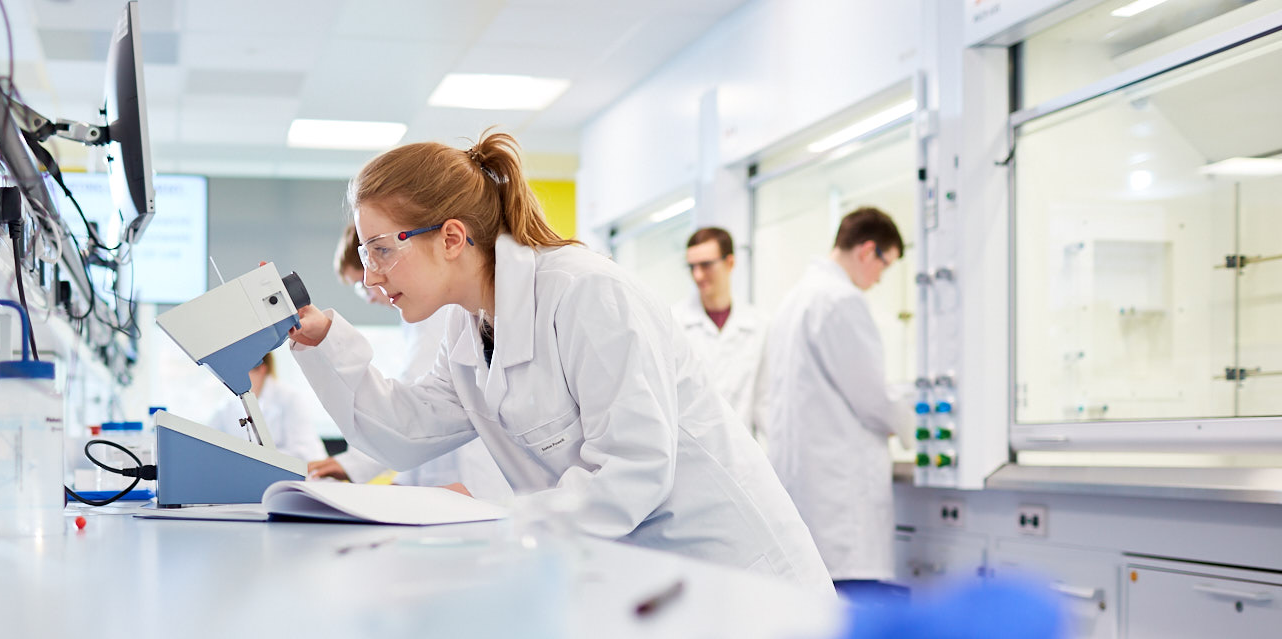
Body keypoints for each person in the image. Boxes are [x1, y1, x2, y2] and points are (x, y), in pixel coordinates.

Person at [286, 130, 831, 590]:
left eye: (381, 249)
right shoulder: (467, 325)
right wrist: (324, 345)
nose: (373, 275)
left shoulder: (586, 294)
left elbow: (631, 475)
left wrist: (492, 518)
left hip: (738, 581)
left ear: (452, 237)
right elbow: (404, 434)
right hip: (648, 581)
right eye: (365, 254)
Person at [760, 207, 913, 597]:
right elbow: (873, 400)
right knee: (849, 608)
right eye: (885, 265)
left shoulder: (796, 299)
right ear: (867, 251)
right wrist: (913, 420)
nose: (879, 279)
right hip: (839, 507)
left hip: (806, 494)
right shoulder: (841, 301)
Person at [306, 226, 513, 503]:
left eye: (378, 258)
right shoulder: (421, 319)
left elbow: (415, 412)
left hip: (473, 478)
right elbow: (418, 415)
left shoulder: (435, 312)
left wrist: (355, 466)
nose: (369, 287)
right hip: (451, 475)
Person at [671, 226, 768, 445]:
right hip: (693, 452)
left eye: (706, 265)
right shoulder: (675, 323)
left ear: (730, 263)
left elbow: (765, 402)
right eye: (692, 267)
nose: (697, 275)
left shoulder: (759, 325)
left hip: (744, 454)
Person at [205, 353, 328, 463]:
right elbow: (208, 440)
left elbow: (303, 453)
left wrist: (254, 458)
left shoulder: (289, 398)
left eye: (240, 372)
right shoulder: (228, 405)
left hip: (306, 476)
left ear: (262, 369)